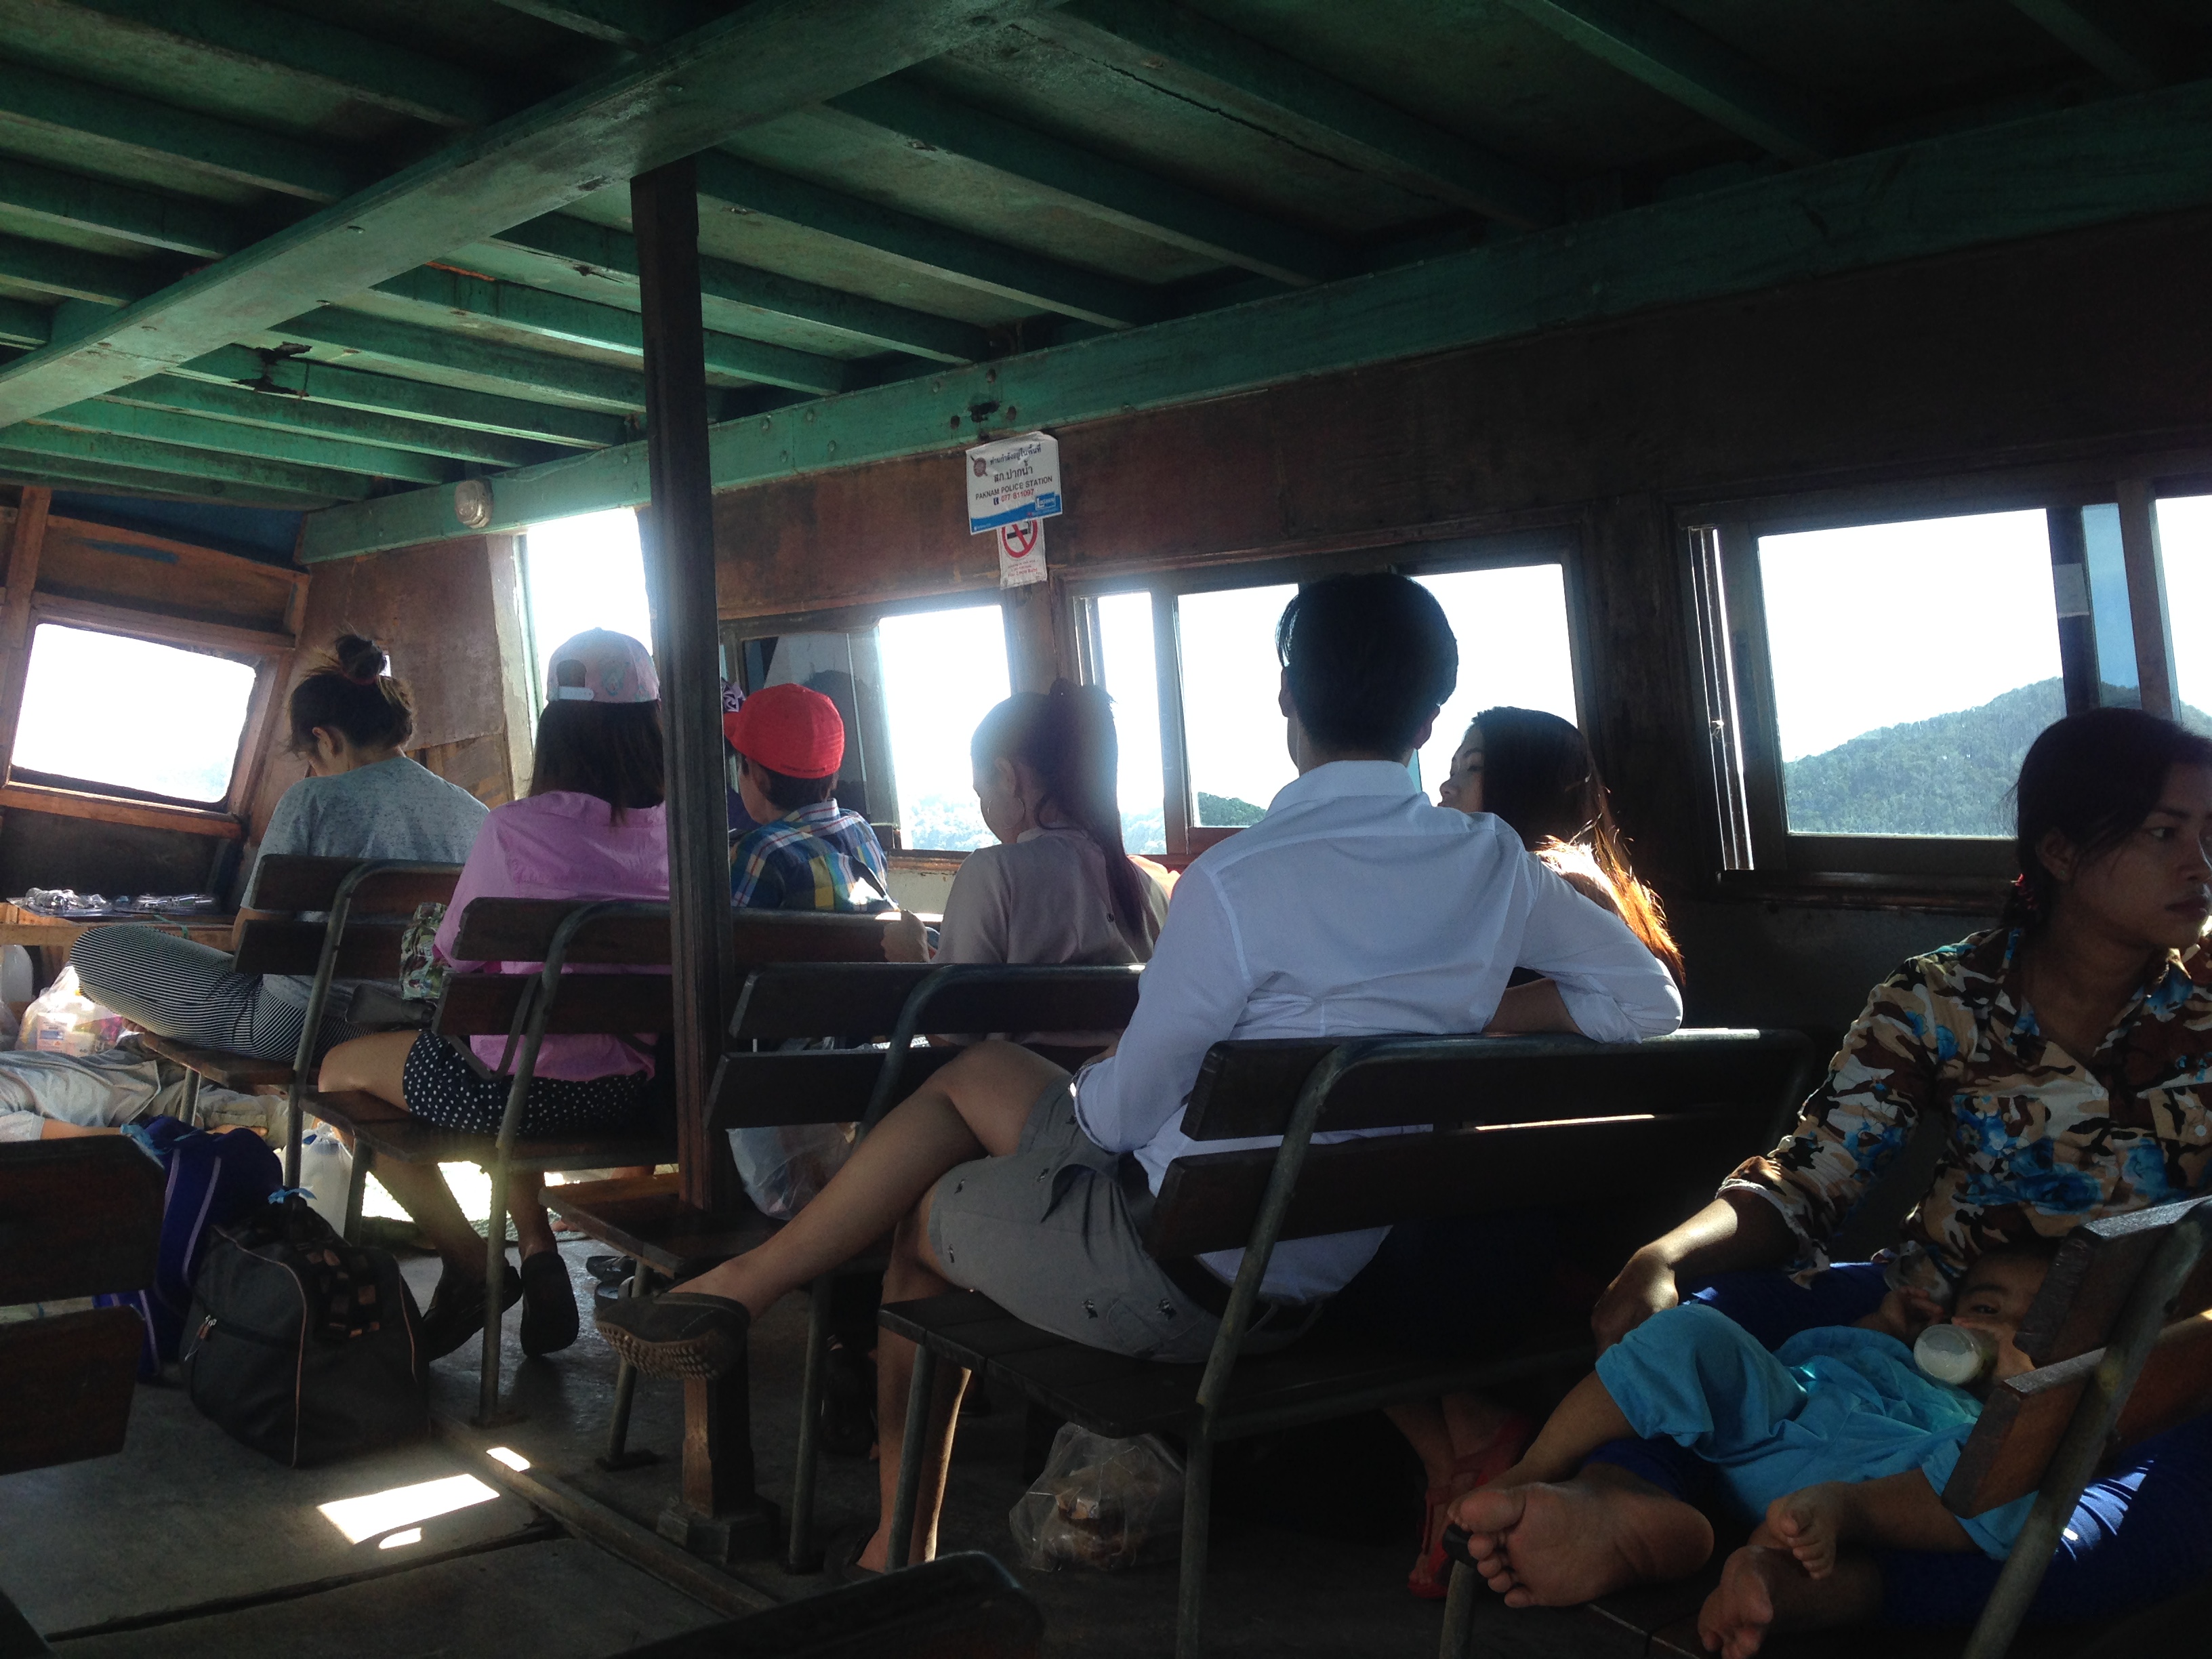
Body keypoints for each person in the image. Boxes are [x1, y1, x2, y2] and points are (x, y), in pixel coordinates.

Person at [598, 571, 1683, 1576]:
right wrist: (1444, 1014)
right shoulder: (1494, 868)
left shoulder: (1239, 881)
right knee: (984, 1071)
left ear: (1286, 698)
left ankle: (897, 1542)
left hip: (1181, 1275)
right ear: (1430, 716)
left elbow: (1115, 1124)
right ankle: (748, 1290)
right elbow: (1649, 1003)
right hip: (1317, 1258)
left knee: (922, 1222)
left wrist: (1116, 1074)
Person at [1452, 706, 2212, 1650]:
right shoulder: (1942, 996)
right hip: (1920, 1307)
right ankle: (1627, 1506)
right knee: (1700, 1322)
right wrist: (1665, 1257)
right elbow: (1812, 1177)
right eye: (2165, 833)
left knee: (2139, 1512)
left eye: (2209, 836)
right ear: (2060, 851)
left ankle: (1840, 1587)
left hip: (2125, 1358)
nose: (2199, 864)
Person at [1379, 703, 1685, 1594]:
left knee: (1291, 1244)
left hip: (1530, 1247)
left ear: (1516, 789)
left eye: (1468, 767)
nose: (1444, 786)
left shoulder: (1530, 893)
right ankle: (1460, 1452)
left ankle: (1460, 1445)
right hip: (1590, 1223)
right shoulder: (1608, 895)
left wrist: (1456, 1015)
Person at [318, 630, 670, 1363]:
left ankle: (470, 1260)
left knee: (339, 1073)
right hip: (633, 1092)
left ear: (556, 729)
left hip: (510, 1097)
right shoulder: (683, 834)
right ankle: (538, 1249)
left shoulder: (513, 830)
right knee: (519, 1058)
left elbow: (454, 960)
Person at [1469, 1244, 2052, 1656]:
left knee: (2011, 1475)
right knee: (1692, 1332)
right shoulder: (1895, 1350)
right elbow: (1832, 1354)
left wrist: (2021, 1382)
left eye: (2033, 1328)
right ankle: (1537, 1469)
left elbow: (1996, 1465)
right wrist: (1886, 1323)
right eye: (1986, 1310)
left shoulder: (1990, 1422)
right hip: (1781, 1419)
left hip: (1873, 1486)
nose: (2000, 1331)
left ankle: (1767, 1568)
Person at [71, 634, 487, 1064]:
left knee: (95, 949)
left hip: (297, 1027)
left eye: (313, 758)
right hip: (418, 1031)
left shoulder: (314, 800)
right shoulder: (477, 815)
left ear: (326, 740)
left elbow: (250, 941)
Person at [893, 679, 1167, 969]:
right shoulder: (1150, 891)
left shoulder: (992, 874)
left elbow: (954, 998)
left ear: (1006, 776)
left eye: (982, 793)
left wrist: (913, 955)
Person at [1437, 706, 1681, 981]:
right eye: (1452, 770)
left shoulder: (1547, 881)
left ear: (1532, 784)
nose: (1446, 786)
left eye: (1473, 766)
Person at [726, 682, 892, 913]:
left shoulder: (760, 852)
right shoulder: (861, 830)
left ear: (758, 777)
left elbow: (724, 933)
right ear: (834, 778)